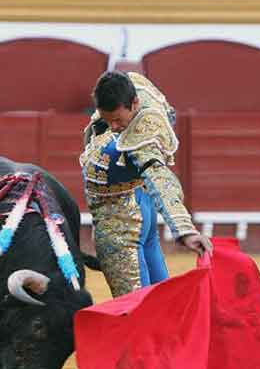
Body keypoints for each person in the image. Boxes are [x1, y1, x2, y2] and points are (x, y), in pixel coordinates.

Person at [80, 70, 212, 300]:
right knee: (161, 301)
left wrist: (185, 230)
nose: (113, 127)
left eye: (118, 120)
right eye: (107, 119)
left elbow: (160, 179)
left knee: (136, 309)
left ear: (135, 103)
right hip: (142, 205)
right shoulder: (133, 86)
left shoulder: (142, 136)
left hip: (118, 221)